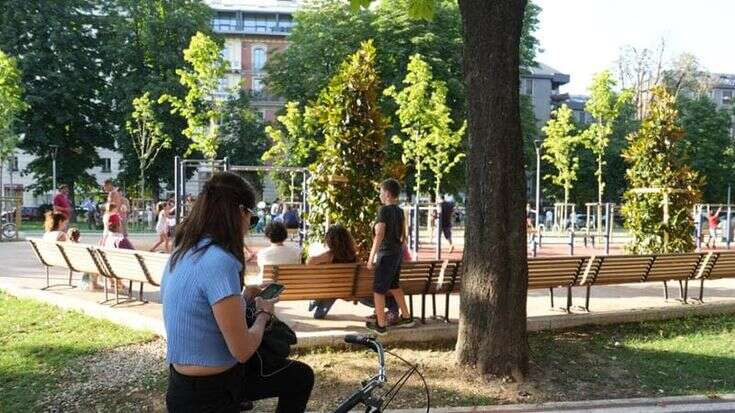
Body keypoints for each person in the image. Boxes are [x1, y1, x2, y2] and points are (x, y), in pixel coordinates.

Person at [162, 172, 313, 412]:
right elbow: (242, 350)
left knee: (298, 376)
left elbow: (205, 315)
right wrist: (264, 313)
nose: (249, 227)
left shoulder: (183, 253)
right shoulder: (220, 262)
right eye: (251, 219)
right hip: (214, 392)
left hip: (181, 387)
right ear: (240, 212)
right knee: (300, 377)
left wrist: (244, 298)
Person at [366, 179, 415, 335]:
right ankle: (406, 317)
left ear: (387, 193)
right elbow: (403, 235)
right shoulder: (400, 211)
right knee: (394, 285)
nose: (380, 195)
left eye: (381, 192)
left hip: (386, 252)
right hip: (396, 252)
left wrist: (371, 257)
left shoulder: (383, 211)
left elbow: (379, 233)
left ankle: (380, 325)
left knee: (378, 290)